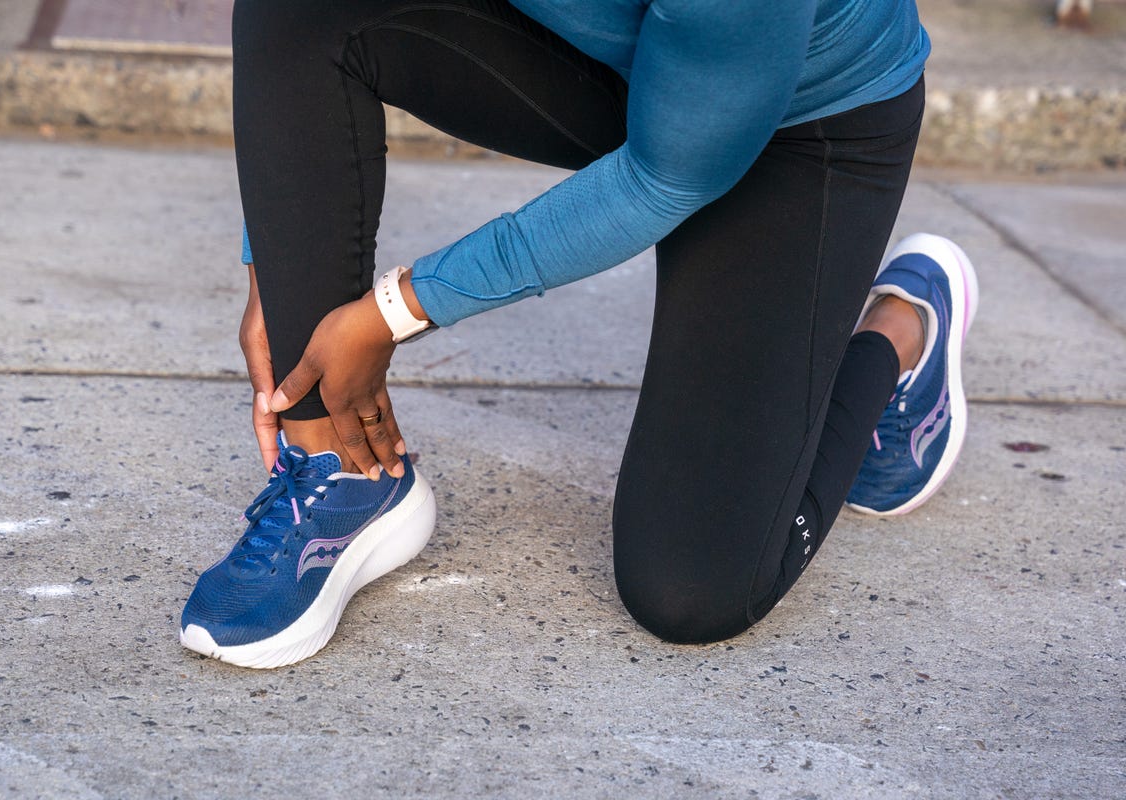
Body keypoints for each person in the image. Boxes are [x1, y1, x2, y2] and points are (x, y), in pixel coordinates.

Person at [180, 0, 979, 669]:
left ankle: (904, 327)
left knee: (694, 590)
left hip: (803, 127)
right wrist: (277, 266)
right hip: (613, 65)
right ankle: (342, 471)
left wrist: (394, 311)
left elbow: (669, 174)